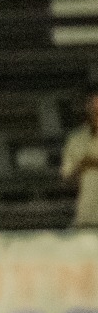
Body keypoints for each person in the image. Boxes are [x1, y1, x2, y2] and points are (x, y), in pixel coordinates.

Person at [61, 89, 98, 227]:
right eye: (94, 107)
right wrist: (82, 166)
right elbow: (67, 179)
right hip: (87, 218)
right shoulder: (76, 139)